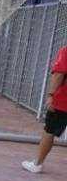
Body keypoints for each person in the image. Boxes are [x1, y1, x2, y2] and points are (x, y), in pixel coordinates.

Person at [22, 45, 67, 173]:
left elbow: (59, 74)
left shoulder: (66, 51)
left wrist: (51, 95)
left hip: (63, 100)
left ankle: (37, 164)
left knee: (49, 130)